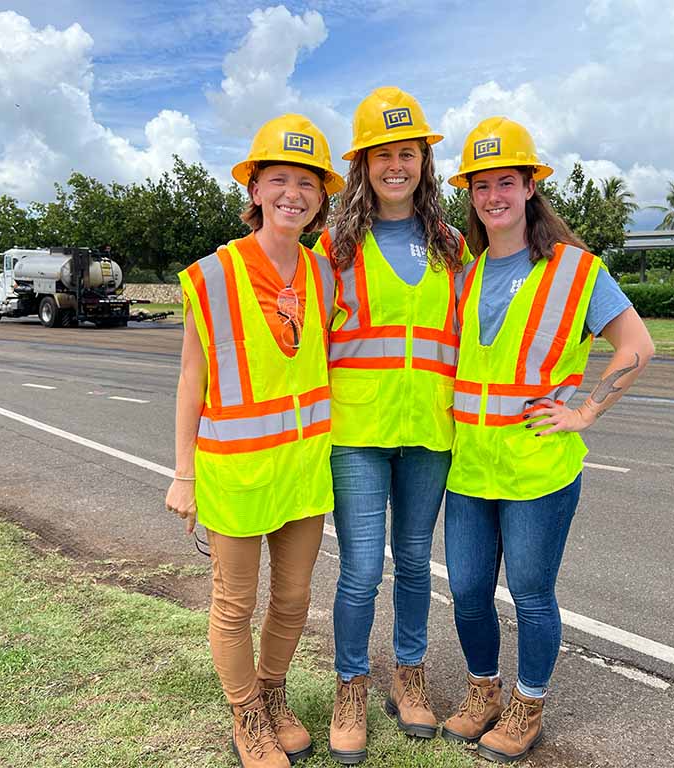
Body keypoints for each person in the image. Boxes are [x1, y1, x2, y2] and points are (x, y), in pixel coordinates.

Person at [439, 117, 655, 763]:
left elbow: (637, 348)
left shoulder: (578, 269)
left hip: (539, 468)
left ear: (531, 187)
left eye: (506, 181)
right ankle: (484, 693)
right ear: (470, 195)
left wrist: (586, 412)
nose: (493, 196)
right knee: (470, 590)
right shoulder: (466, 273)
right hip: (471, 466)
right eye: (481, 185)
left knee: (531, 594)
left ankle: (528, 704)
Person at [165, 114, 344, 768]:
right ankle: (247, 714)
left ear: (322, 195)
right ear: (256, 189)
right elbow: (192, 377)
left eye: (307, 182)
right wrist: (183, 473)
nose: (292, 193)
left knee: (294, 597)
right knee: (235, 602)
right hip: (235, 471)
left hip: (301, 468)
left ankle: (273, 693)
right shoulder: (212, 276)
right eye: (279, 180)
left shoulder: (325, 275)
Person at [312, 87, 471, 764]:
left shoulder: (454, 246)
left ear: (424, 162)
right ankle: (351, 684)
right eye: (383, 156)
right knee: (358, 570)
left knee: (413, 562)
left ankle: (409, 675)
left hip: (429, 431)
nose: (396, 166)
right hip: (358, 431)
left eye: (408, 153)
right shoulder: (335, 246)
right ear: (364, 165)